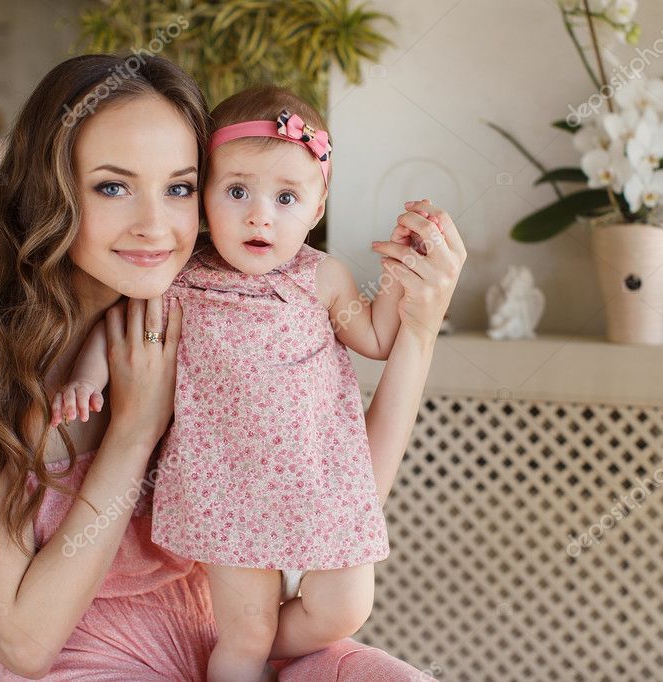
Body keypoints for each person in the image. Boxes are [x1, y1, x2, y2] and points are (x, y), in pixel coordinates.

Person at [0, 53, 465, 680]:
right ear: (49, 193)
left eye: (178, 188)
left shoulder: (218, 320)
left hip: (232, 639)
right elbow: (25, 645)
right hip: (85, 661)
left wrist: (418, 330)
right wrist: (136, 427)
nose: (155, 227)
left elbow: (346, 494)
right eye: (112, 187)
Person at [49, 84, 446, 680]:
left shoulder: (321, 278)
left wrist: (401, 274)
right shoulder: (183, 279)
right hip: (227, 493)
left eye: (287, 197)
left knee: (345, 608)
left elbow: (377, 337)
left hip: (318, 485)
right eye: (237, 192)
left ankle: (251, 655)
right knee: (246, 636)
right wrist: (86, 378)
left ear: (317, 209)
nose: (260, 215)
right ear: (205, 197)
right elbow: (117, 329)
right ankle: (238, 662)